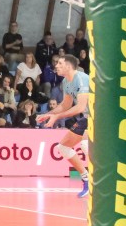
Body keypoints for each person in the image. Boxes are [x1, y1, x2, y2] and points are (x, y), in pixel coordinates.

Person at [37, 54, 91, 198]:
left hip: (101, 117)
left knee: (86, 144)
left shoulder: (81, 78)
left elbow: (80, 107)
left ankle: (100, 180)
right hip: (88, 117)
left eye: (60, 63)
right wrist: (49, 114)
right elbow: (66, 105)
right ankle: (86, 179)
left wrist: (57, 117)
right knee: (63, 147)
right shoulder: (66, 81)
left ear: (68, 66)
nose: (56, 66)